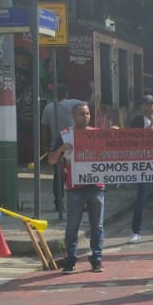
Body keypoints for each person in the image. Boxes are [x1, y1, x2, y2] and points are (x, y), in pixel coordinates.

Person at [48, 102, 104, 273]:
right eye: (82, 114)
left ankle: (97, 259)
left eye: (87, 113)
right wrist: (62, 150)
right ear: (73, 116)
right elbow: (51, 160)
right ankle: (70, 260)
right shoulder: (65, 135)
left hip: (96, 184)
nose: (86, 117)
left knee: (98, 226)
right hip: (75, 186)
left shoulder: (98, 134)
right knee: (72, 226)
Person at [127, 94, 153, 244]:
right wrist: (151, 127)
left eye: (152, 104)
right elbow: (131, 140)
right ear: (142, 106)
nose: (150, 107)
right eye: (147, 104)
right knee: (141, 198)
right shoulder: (136, 122)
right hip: (144, 164)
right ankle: (135, 231)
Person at [42, 87, 84, 214]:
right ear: (66, 93)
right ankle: (82, 202)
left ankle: (59, 203)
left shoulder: (48, 107)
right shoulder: (73, 103)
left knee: (58, 176)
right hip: (75, 143)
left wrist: (46, 146)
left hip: (57, 144)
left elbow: (44, 128)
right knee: (78, 173)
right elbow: (90, 104)